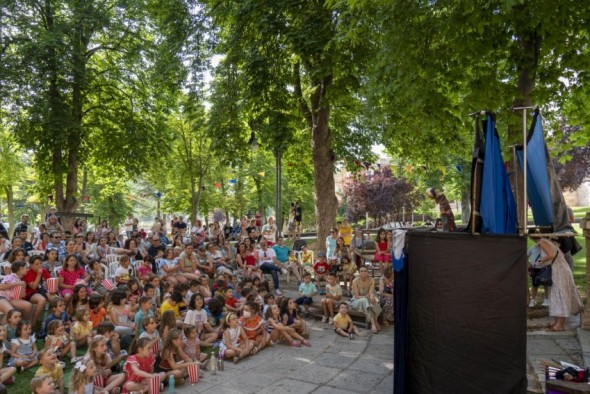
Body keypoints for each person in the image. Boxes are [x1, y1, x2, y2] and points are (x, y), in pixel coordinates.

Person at [537, 237, 583, 332]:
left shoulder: (542, 241)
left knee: (560, 297)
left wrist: (540, 261)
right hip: (562, 269)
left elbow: (552, 255)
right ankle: (557, 322)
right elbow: (560, 254)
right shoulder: (552, 242)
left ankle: (560, 325)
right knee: (558, 296)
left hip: (559, 271)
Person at [350, 266, 382, 334]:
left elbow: (370, 293)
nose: (363, 272)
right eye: (361, 271)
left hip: (367, 299)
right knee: (365, 300)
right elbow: (357, 296)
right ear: (359, 273)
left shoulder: (371, 280)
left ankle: (375, 320)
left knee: (373, 300)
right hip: (357, 300)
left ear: (368, 272)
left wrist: (372, 296)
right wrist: (366, 297)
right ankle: (373, 323)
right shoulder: (355, 281)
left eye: (365, 271)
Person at [528, 237, 550, 308]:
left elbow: (549, 256)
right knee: (535, 285)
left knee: (546, 284)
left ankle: (547, 299)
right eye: (536, 240)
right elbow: (526, 256)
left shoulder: (545, 249)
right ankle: (533, 300)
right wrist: (529, 265)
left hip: (544, 268)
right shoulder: (532, 248)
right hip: (535, 269)